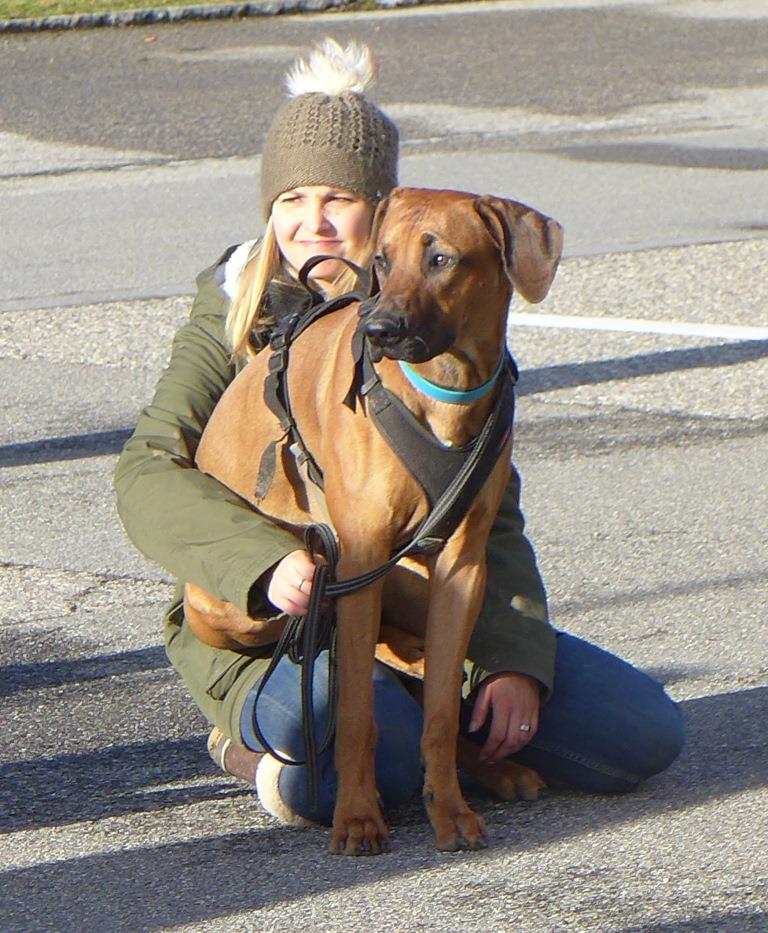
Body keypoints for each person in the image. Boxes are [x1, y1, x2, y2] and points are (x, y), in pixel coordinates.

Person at [114, 39, 684, 827]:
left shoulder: (437, 334)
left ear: (386, 214)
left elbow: (489, 519)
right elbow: (145, 471)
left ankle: (422, 738)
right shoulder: (229, 312)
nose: (311, 224)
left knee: (639, 735)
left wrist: (512, 658)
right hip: (263, 626)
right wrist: (263, 561)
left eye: (336, 202)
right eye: (290, 202)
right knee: (378, 746)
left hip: (404, 609)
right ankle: (250, 748)